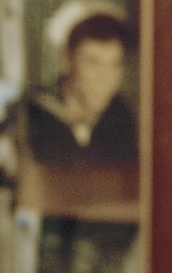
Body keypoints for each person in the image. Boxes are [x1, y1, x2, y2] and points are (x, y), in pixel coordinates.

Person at [25, 11, 137, 164]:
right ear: (66, 60)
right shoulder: (31, 118)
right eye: (92, 62)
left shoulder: (124, 122)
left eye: (115, 64)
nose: (105, 78)